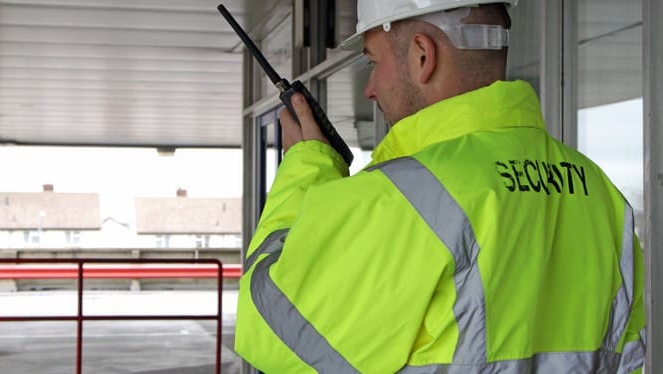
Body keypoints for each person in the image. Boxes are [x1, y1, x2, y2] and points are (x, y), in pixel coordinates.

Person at [234, 1, 647, 372]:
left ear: (422, 55)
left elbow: (270, 330)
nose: (370, 89)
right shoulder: (601, 195)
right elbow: (629, 358)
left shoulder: (403, 198)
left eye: (372, 62)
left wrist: (308, 164)